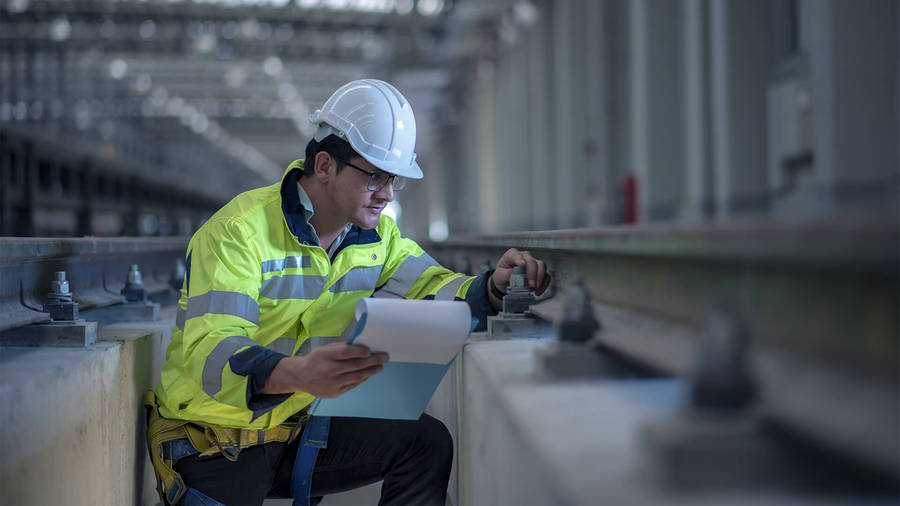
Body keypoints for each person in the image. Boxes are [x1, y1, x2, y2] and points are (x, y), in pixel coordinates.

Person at [145, 79, 550, 506]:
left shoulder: (377, 240)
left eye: (393, 179)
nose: (388, 194)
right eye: (375, 176)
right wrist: (300, 373)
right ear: (324, 166)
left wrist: (491, 287)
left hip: (297, 430)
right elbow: (213, 350)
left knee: (425, 444)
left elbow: (437, 288)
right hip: (213, 443)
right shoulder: (237, 233)